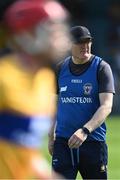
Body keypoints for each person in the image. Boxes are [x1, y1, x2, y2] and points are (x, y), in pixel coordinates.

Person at [0, 0, 71, 179]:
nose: (61, 36)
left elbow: (27, 152)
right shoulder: (3, 78)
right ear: (26, 35)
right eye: (52, 29)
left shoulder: (45, 80)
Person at [48, 25, 115, 179]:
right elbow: (53, 105)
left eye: (88, 42)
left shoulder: (102, 68)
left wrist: (85, 131)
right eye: (80, 42)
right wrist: (51, 136)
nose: (85, 46)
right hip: (63, 144)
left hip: (92, 143)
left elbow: (106, 106)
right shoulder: (60, 68)